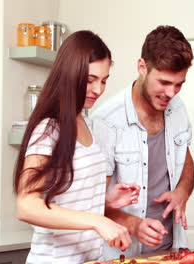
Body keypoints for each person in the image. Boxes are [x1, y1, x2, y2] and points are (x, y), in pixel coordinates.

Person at [14, 30, 139, 263]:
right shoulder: (49, 128)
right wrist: (98, 221)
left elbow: (67, 200)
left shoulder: (86, 124)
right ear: (70, 74)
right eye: (90, 80)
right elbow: (26, 206)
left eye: (103, 81)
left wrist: (105, 200)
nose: (98, 90)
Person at [93, 25, 194, 259]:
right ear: (142, 67)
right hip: (122, 254)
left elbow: (187, 164)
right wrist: (134, 225)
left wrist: (181, 192)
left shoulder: (177, 109)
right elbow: (93, 205)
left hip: (171, 251)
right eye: (164, 82)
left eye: (178, 84)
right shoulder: (106, 121)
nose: (171, 93)